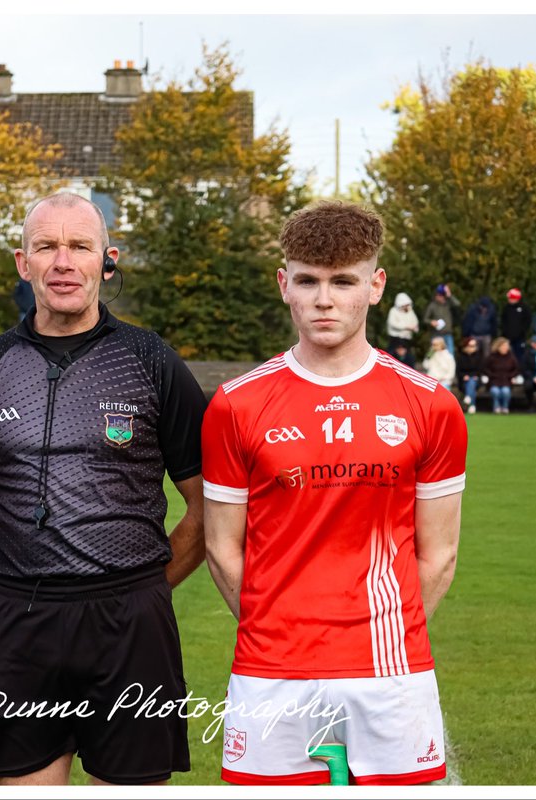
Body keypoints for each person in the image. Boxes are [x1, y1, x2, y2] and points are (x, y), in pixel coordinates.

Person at [0, 192, 205, 786]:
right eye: (46, 247)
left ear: (106, 261)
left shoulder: (151, 360)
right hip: (17, 627)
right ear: (22, 262)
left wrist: (141, 590)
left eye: (79, 247)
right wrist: (27, 587)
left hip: (132, 623)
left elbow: (209, 507)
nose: (63, 261)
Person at [201, 201, 467, 785]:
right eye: (308, 281)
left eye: (343, 281)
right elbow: (222, 549)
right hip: (271, 667)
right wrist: (276, 627)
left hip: (390, 672)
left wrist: (383, 630)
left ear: (375, 287)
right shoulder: (236, 405)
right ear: (284, 285)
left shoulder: (431, 406)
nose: (324, 299)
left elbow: (440, 554)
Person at [483, 337, 521, 414]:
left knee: (505, 391)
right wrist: (491, 376)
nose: (505, 348)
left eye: (506, 346)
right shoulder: (491, 357)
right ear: (498, 347)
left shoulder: (511, 357)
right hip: (494, 380)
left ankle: (505, 407)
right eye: (503, 346)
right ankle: (496, 407)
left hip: (506, 380)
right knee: (495, 391)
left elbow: (517, 369)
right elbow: (485, 369)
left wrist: (511, 376)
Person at [422, 284, 459, 355]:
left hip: (448, 333)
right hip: (436, 333)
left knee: (450, 354)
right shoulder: (432, 305)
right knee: (433, 353)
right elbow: (425, 319)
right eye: (438, 295)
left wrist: (449, 295)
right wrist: (431, 322)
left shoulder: (448, 304)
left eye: (441, 295)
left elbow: (457, 304)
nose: (439, 297)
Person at [499, 287, 531, 364]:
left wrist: (522, 331)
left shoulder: (524, 308)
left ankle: (519, 370)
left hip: (520, 337)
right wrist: (505, 331)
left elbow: (528, 321)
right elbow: (503, 320)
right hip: (507, 337)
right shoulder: (506, 308)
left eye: (512, 298)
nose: (510, 300)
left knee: (519, 355)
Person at [454, 337, 484, 414]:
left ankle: (468, 397)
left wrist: (474, 376)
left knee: (472, 381)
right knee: (470, 383)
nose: (472, 348)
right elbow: (458, 371)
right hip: (463, 381)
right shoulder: (460, 357)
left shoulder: (479, 357)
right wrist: (464, 376)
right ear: (466, 346)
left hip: (476, 380)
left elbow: (480, 370)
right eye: (470, 346)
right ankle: (472, 405)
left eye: (474, 346)